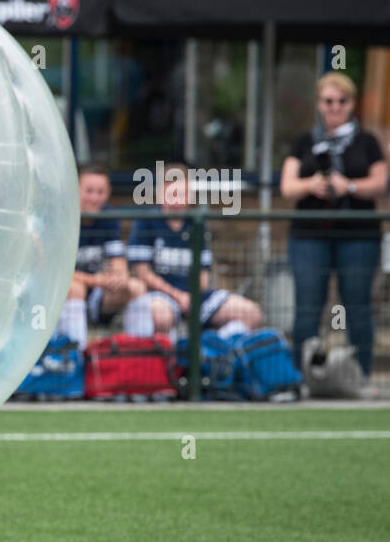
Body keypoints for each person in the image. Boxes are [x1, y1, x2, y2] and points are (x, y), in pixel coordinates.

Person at [279, 72, 387, 386]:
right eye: (329, 101)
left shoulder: (367, 142)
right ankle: (301, 378)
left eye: (342, 101)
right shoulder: (305, 141)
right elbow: (287, 186)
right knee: (307, 307)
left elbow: (380, 183)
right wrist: (312, 184)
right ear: (319, 104)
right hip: (310, 235)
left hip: (357, 236)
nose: (335, 107)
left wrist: (348, 185)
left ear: (351, 104)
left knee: (357, 305)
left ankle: (361, 378)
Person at [123, 164, 262, 339]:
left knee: (251, 313)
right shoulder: (147, 222)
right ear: (160, 193)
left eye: (182, 193)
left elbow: (202, 275)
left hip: (194, 297)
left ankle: (212, 350)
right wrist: (178, 296)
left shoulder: (196, 222)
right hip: (160, 296)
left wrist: (192, 297)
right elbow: (142, 272)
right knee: (161, 316)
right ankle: (171, 358)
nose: (177, 198)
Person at [55, 164, 143, 348]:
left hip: (97, 296)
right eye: (89, 191)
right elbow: (56, 273)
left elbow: (117, 259)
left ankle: (140, 354)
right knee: (75, 287)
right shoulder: (60, 216)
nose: (94, 198)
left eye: (100, 192)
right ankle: (75, 355)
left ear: (108, 193)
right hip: (58, 297)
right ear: (75, 189)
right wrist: (99, 280)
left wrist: (120, 276)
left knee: (135, 286)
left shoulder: (108, 217)